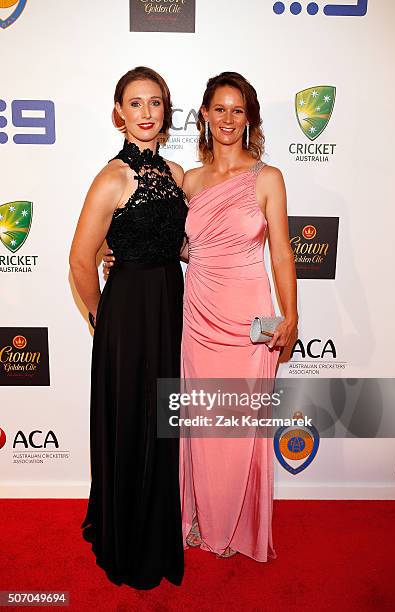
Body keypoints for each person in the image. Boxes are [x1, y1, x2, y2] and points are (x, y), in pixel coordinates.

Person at [104, 71, 298, 562]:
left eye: (238, 110)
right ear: (205, 117)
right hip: (198, 314)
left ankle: (237, 524)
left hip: (248, 316)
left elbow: (281, 256)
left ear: (249, 118)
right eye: (219, 109)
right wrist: (119, 252)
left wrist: (290, 315)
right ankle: (200, 517)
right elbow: (174, 240)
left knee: (238, 426)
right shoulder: (188, 179)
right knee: (201, 424)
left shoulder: (268, 178)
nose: (228, 119)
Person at [69, 66, 187, 589]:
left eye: (155, 103)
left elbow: (181, 245)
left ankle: (158, 531)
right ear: (120, 113)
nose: (146, 113)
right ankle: (128, 539)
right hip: (127, 316)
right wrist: (101, 318)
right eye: (135, 103)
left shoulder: (177, 174)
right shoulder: (111, 178)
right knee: (130, 419)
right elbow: (78, 260)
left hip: (168, 305)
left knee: (161, 420)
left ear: (166, 111)